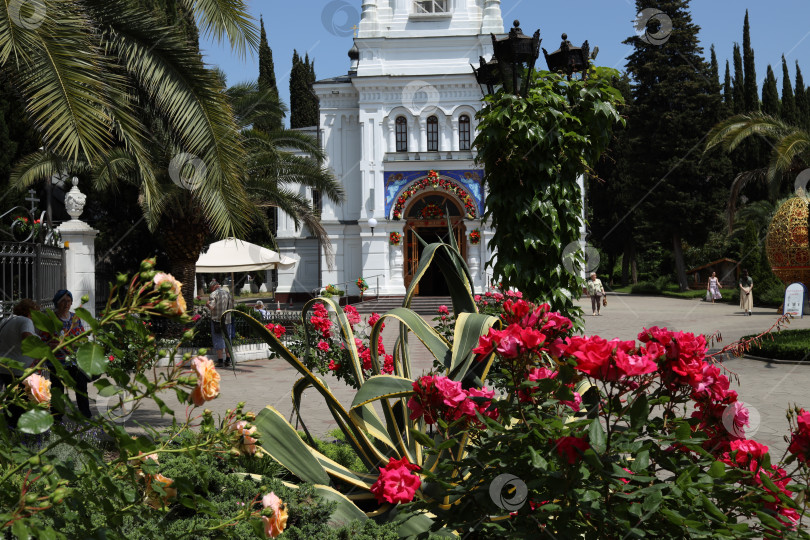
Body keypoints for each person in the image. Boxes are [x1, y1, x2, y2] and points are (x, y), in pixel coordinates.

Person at [43, 290, 92, 419]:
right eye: (63, 301)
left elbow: (82, 336)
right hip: (57, 363)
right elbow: (43, 340)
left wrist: (77, 342)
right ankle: (57, 421)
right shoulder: (50, 318)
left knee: (81, 389)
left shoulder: (75, 317)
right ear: (56, 303)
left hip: (75, 361)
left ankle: (86, 418)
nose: (66, 304)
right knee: (58, 392)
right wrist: (53, 345)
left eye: (69, 301)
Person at [0, 299, 41, 427]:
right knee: (19, 403)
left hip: (4, 367)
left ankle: (9, 429)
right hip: (20, 369)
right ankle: (16, 432)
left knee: (10, 400)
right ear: (30, 312)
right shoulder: (26, 321)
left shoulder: (6, 321)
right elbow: (26, 337)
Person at [207, 279, 234, 367]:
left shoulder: (213, 294)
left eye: (210, 288)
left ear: (213, 287)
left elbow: (211, 307)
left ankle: (220, 360)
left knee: (218, 339)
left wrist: (207, 304)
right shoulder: (228, 294)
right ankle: (228, 359)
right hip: (228, 320)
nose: (210, 290)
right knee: (227, 338)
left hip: (217, 321)